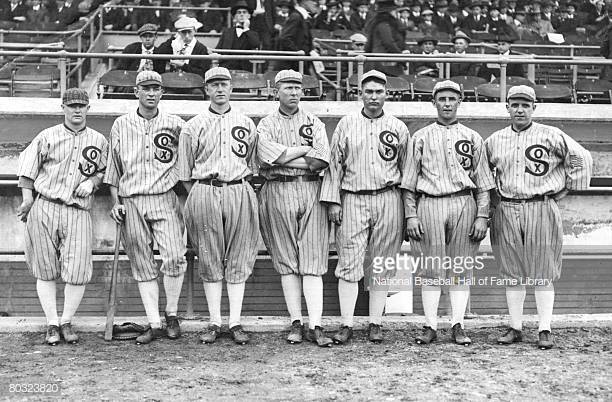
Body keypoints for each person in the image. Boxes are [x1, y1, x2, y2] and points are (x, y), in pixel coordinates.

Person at [485, 85, 592, 350]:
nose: (520, 109)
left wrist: (566, 188)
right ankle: (515, 327)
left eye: (525, 104)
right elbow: (483, 175)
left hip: (540, 206)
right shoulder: (494, 140)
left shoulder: (550, 134)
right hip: (507, 207)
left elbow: (582, 158)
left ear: (534, 107)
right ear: (507, 107)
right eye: (515, 104)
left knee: (541, 273)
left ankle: (544, 328)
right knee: (512, 273)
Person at [401, 80, 495, 346]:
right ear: (434, 102)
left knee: (461, 269)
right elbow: (408, 182)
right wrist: (410, 214)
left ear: (459, 102)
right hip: (429, 202)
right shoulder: (419, 137)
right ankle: (430, 325)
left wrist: (482, 216)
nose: (447, 103)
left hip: (464, 203)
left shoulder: (473, 136)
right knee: (430, 269)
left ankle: (458, 324)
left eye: (452, 99)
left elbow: (484, 183)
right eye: (441, 98)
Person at [320, 70, 409, 345]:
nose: (373, 96)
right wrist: (333, 201)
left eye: (378, 91)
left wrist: (408, 211)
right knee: (349, 261)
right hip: (353, 197)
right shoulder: (346, 124)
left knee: (382, 263)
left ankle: (375, 322)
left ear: (386, 94)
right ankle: (346, 323)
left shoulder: (398, 127)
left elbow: (407, 172)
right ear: (360, 94)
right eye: (368, 91)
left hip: (388, 196)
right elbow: (334, 166)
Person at [17, 88, 108, 346]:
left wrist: (92, 182)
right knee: (45, 270)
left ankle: (67, 320)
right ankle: (52, 324)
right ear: (63, 108)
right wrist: (27, 199)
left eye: (81, 105)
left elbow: (103, 171)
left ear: (88, 108)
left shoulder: (99, 140)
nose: (77, 110)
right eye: (72, 105)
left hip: (78, 210)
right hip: (45, 205)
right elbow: (27, 170)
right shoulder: (48, 136)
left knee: (78, 270)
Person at [104, 70, 187, 345]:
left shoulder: (175, 124)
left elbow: (188, 157)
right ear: (136, 91)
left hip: (164, 195)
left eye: (156, 88)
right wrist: (115, 201)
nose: (151, 93)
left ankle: (171, 315)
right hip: (132, 200)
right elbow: (113, 168)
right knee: (142, 262)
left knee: (175, 256)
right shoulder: (121, 124)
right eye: (146, 88)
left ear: (162, 92)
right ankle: (153, 323)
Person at [178, 67, 259, 345]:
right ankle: (214, 321)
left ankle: (234, 322)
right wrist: (203, 193)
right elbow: (185, 172)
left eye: (224, 84)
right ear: (206, 90)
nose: (220, 89)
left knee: (239, 257)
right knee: (210, 258)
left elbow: (252, 163)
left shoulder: (246, 123)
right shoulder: (193, 125)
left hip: (238, 188)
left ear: (232, 88)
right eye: (214, 85)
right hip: (205, 189)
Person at [256, 70, 332, 347]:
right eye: (288, 87)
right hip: (277, 189)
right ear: (276, 91)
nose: (294, 92)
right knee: (287, 262)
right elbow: (267, 158)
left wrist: (286, 154)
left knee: (312, 262)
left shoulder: (314, 122)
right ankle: (296, 322)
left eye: (298, 87)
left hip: (312, 188)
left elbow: (321, 160)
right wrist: (303, 149)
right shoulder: (266, 123)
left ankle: (317, 324)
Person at [364, 0, 409, 76]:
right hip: (383, 63)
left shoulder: (381, 24)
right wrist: (401, 58)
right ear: (390, 12)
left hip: (385, 61)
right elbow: (388, 43)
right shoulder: (383, 25)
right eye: (395, 11)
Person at [217, 0, 261, 71]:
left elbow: (255, 44)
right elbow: (218, 49)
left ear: (249, 16)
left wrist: (246, 29)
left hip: (245, 70)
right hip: (227, 68)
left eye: (244, 12)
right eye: (239, 12)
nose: (241, 15)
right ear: (234, 17)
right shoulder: (227, 32)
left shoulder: (253, 33)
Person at [276, 0, 317, 71]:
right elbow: (285, 38)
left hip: (300, 63)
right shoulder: (296, 17)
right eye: (313, 0)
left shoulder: (302, 17)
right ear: (304, 2)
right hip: (292, 66)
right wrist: (297, 52)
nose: (315, 3)